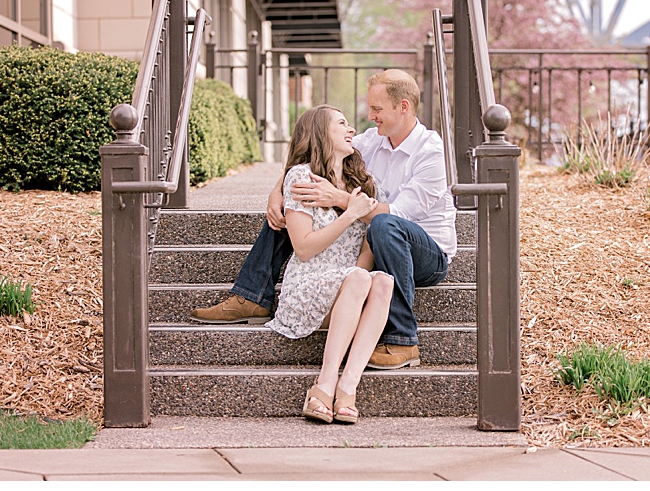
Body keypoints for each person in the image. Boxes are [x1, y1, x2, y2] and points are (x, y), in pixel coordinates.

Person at [191, 69, 456, 372]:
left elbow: (396, 214)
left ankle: (403, 339)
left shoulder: (433, 153)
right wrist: (279, 191)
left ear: (404, 107)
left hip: (425, 255)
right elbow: (317, 154)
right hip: (378, 243)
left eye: (377, 109)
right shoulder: (372, 141)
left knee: (383, 225)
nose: (370, 116)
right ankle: (252, 295)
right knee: (303, 196)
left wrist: (341, 200)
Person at [266, 105, 393, 423]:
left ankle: (347, 386)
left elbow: (367, 249)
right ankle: (323, 386)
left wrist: (352, 203)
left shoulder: (364, 183)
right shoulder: (301, 177)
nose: (351, 129)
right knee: (359, 278)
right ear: (321, 132)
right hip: (307, 287)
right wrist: (351, 212)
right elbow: (304, 248)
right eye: (342, 123)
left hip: (348, 289)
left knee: (382, 281)